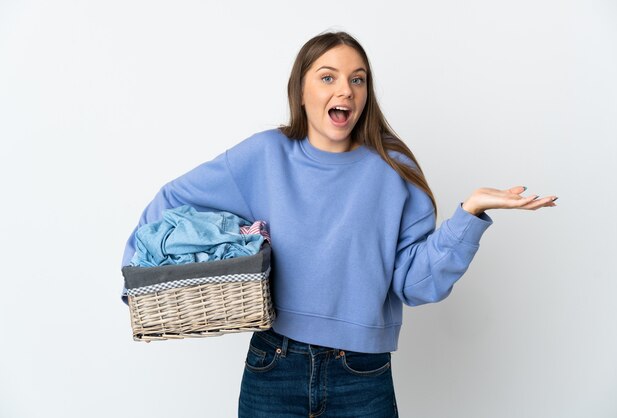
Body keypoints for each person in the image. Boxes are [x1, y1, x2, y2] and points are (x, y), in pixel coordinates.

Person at [121, 31, 557, 417]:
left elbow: (416, 285)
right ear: (302, 89)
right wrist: (142, 282)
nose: (344, 90)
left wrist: (470, 215)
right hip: (274, 363)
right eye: (328, 77)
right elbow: (173, 201)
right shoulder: (265, 156)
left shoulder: (393, 170)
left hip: (361, 373)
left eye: (357, 78)